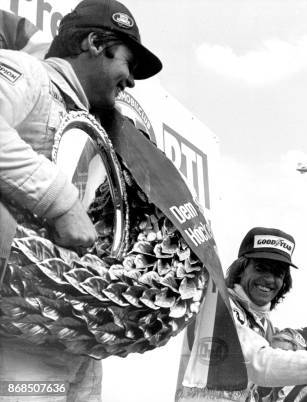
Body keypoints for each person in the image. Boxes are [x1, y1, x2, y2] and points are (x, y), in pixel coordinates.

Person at [0, 1, 161, 401]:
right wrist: (62, 203)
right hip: (23, 339)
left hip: (74, 343)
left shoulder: (93, 128)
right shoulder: (30, 73)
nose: (131, 82)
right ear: (93, 43)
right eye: (128, 62)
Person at [177, 227, 307, 401]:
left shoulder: (264, 323)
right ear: (241, 269)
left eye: (278, 273)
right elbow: (259, 364)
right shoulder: (216, 302)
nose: (269, 280)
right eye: (261, 268)